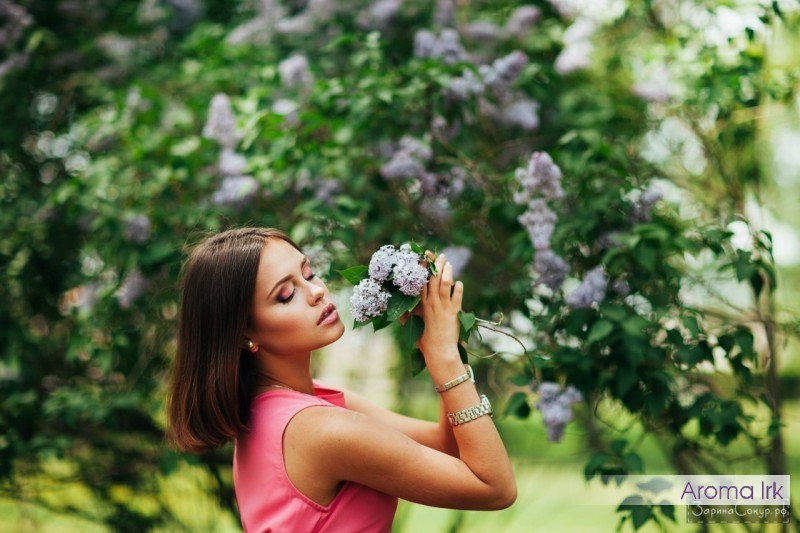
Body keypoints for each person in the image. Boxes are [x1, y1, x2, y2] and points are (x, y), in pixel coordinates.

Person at [167, 227, 516, 532]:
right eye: (286, 295)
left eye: (309, 273)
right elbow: (494, 487)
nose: (316, 291)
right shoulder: (319, 429)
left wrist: (440, 339)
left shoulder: (305, 404)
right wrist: (444, 359)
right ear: (244, 334)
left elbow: (445, 443)